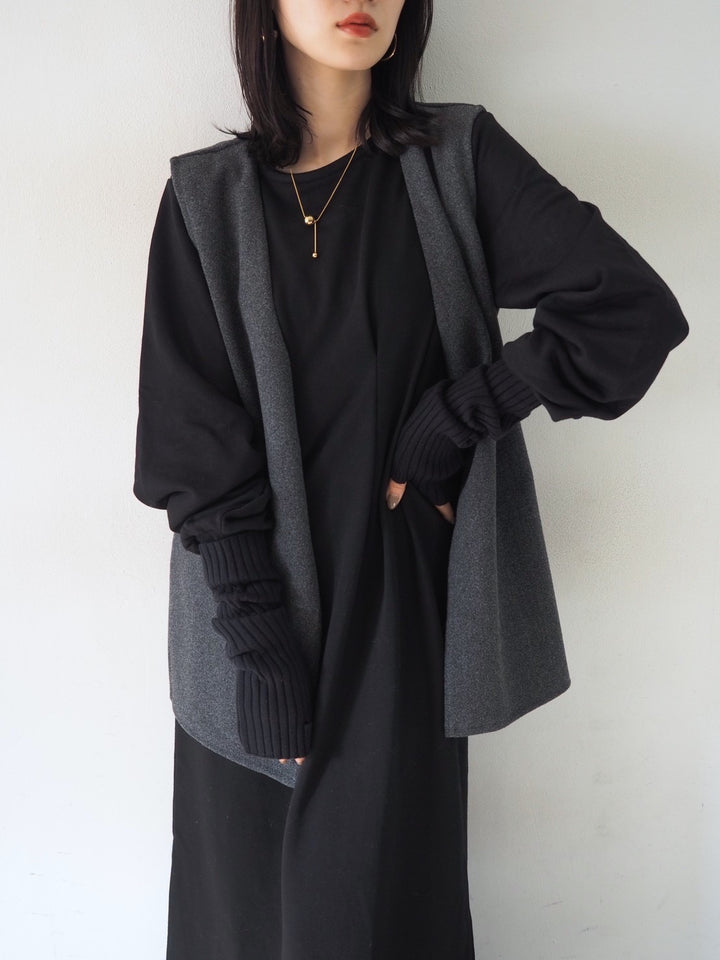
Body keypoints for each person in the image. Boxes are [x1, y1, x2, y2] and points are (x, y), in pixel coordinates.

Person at [132, 1, 689, 957]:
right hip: (244, 610)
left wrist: (458, 416)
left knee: (376, 914)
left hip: (400, 603)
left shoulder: (457, 160)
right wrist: (262, 647)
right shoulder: (204, 198)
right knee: (244, 917)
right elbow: (189, 445)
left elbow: (629, 308)